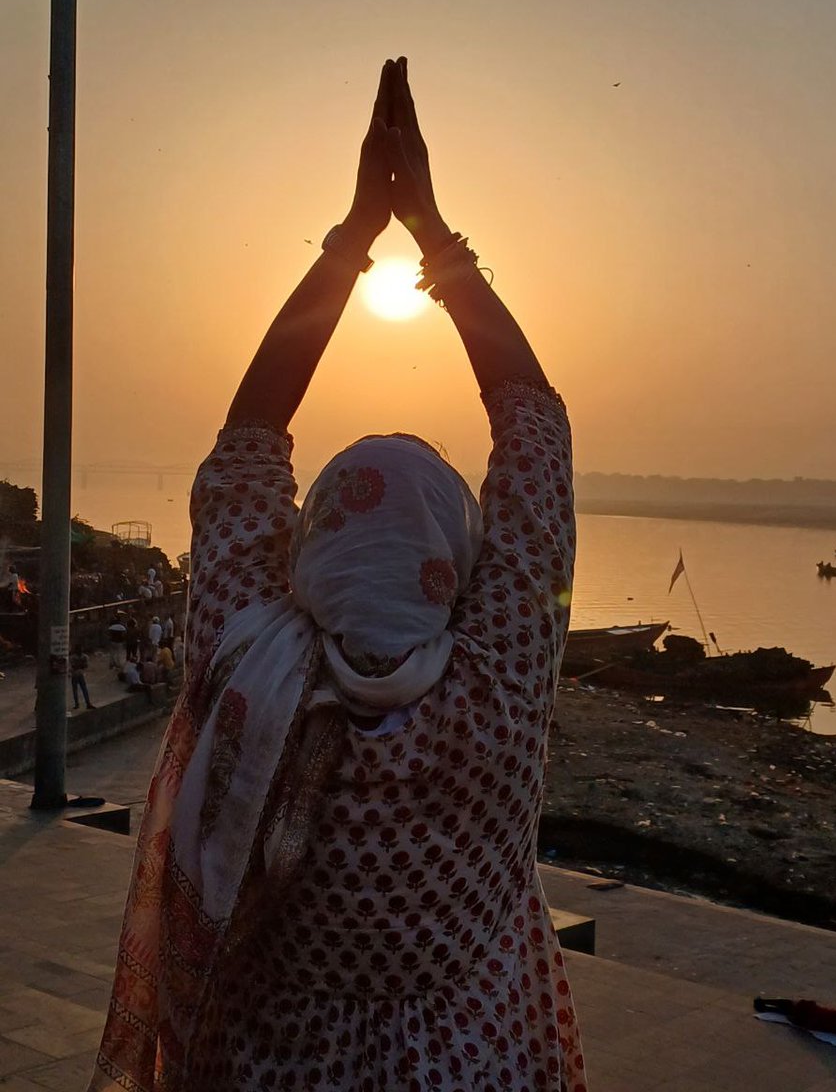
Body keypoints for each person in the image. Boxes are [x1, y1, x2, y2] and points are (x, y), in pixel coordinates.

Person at [90, 59, 584, 1092]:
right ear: (454, 566)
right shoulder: (494, 691)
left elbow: (247, 443)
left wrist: (353, 239)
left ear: (311, 553)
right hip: (476, 1063)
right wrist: (436, 239)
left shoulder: (248, 668)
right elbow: (534, 432)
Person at [69, 643, 95, 710]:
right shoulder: (84, 657)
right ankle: (87, 703)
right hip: (79, 674)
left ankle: (77, 704)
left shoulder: (73, 657)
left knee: (76, 690)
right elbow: (85, 666)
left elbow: (73, 666)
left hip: (75, 674)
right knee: (83, 689)